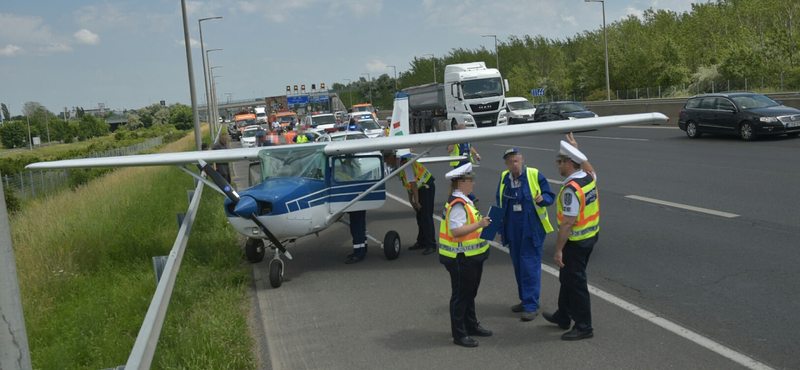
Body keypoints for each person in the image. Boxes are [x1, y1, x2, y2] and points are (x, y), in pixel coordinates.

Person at [543, 133, 599, 341]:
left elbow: (567, 223)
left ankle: (584, 326)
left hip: (575, 243)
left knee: (576, 283)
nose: (558, 166)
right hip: (590, 237)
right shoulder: (588, 178)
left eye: (560, 162)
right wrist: (577, 150)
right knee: (567, 278)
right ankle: (563, 316)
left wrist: (558, 249)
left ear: (568, 163)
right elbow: (591, 168)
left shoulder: (571, 189)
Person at [496, 148, 555, 322]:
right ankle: (525, 299)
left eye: (516, 160)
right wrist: (500, 230)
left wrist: (542, 199)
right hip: (513, 228)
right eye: (510, 161)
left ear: (522, 160)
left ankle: (531, 305)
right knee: (518, 265)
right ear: (506, 164)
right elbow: (499, 203)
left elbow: (549, 195)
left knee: (529, 265)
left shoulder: (534, 174)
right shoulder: (504, 178)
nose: (514, 164)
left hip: (531, 227)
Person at [439, 163, 493, 347]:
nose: (473, 184)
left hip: (470, 255)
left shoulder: (465, 200)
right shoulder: (458, 204)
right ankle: (459, 334)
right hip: (460, 257)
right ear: (461, 182)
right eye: (470, 180)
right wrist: (480, 225)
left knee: (469, 293)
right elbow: (456, 231)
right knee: (461, 295)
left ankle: (471, 325)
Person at [383, 151, 437, 254]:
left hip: (425, 187)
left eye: (387, 161)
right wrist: (411, 201)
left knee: (425, 216)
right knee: (420, 216)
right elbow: (407, 185)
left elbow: (413, 184)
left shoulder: (405, 165)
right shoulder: (399, 167)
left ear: (392, 158)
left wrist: (416, 202)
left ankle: (431, 244)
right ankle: (422, 241)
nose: (387, 163)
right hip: (420, 188)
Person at [446, 124, 482, 202]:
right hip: (458, 163)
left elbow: (470, 147)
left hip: (467, 161)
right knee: (461, 180)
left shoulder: (466, 139)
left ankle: (469, 196)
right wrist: (456, 140)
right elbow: (449, 150)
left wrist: (477, 154)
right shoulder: (453, 139)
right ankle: (470, 196)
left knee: (468, 179)